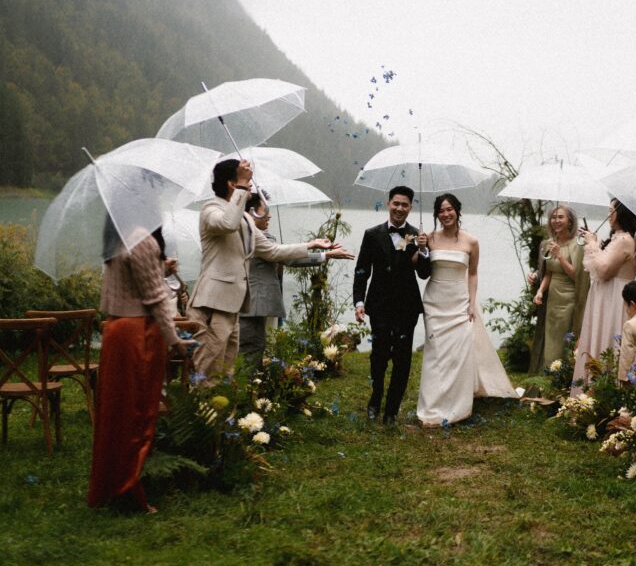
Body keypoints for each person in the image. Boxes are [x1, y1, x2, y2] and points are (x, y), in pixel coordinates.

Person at [188, 159, 353, 385]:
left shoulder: (245, 218)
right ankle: (200, 412)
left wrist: (312, 245)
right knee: (208, 364)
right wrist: (242, 187)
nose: (251, 188)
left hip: (235, 304)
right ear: (231, 185)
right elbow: (227, 223)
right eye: (246, 181)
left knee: (227, 367)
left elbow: (272, 251)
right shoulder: (210, 210)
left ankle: (225, 413)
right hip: (212, 302)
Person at [89, 220, 187, 513]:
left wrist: (160, 269)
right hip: (138, 333)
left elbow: (133, 284)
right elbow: (156, 298)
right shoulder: (141, 238)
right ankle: (128, 491)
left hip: (116, 329)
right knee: (138, 412)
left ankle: (110, 485)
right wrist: (176, 341)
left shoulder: (117, 235)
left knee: (115, 412)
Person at [416, 193, 517, 426]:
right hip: (434, 302)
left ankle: (457, 408)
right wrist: (420, 249)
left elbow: (472, 273)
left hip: (459, 302)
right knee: (435, 356)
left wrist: (472, 303)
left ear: (457, 211)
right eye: (441, 210)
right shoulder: (429, 238)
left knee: (458, 356)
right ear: (436, 215)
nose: (445, 214)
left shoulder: (471, 241)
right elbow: (420, 269)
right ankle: (431, 406)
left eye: (449, 209)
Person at [353, 186, 432, 425]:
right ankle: (375, 400)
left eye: (405, 205)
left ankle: (391, 411)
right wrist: (359, 301)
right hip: (378, 305)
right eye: (396, 203)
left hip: (407, 307)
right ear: (388, 204)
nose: (399, 208)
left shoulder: (417, 236)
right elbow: (361, 271)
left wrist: (423, 250)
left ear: (410, 208)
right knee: (378, 357)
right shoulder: (372, 234)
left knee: (402, 359)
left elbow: (424, 274)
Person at [570, 199, 636, 396]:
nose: (609, 214)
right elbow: (607, 260)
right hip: (604, 296)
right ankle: (589, 391)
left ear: (622, 213)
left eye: (612, 210)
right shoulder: (618, 238)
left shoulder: (625, 240)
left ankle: (604, 393)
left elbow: (604, 270)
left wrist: (593, 245)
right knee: (597, 335)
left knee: (609, 338)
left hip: (614, 298)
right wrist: (597, 241)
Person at [238, 193, 322, 360]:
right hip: (253, 304)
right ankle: (248, 384)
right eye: (265, 210)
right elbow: (279, 254)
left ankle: (255, 382)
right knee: (251, 350)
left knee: (259, 346)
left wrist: (325, 255)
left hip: (259, 304)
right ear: (253, 211)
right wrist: (320, 251)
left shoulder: (259, 235)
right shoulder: (249, 235)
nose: (269, 215)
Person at [530, 205, 584, 372]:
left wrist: (560, 256)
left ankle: (564, 380)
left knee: (564, 341)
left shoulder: (577, 244)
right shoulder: (548, 244)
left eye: (561, 217)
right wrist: (540, 291)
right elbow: (549, 273)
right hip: (552, 299)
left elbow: (577, 276)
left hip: (569, 300)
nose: (556, 221)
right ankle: (548, 377)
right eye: (553, 217)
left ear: (570, 221)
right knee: (550, 340)